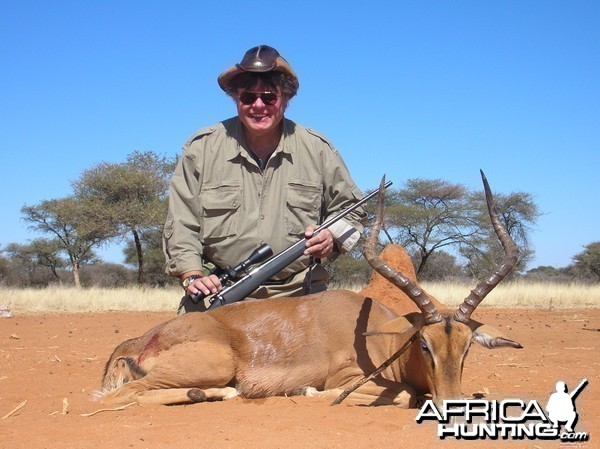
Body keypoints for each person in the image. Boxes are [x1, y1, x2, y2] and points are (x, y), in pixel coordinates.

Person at [163, 45, 366, 313]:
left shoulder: (318, 149)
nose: (258, 106)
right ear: (236, 98)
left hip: (300, 294)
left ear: (286, 98)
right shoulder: (201, 148)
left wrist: (331, 237)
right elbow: (181, 222)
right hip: (221, 291)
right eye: (248, 97)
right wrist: (193, 275)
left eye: (269, 97)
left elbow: (352, 211)